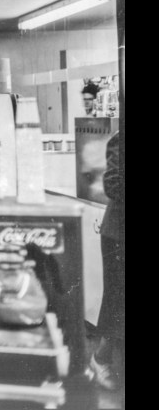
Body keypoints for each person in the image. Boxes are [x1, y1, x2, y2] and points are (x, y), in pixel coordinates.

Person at [89, 129, 124, 391]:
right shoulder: (121, 137)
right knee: (117, 299)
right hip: (119, 234)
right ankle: (100, 359)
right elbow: (113, 184)